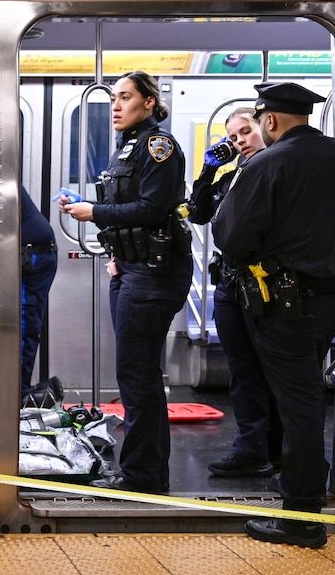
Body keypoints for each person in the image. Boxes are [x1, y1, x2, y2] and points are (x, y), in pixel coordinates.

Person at [213, 82, 335, 548]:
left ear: (269, 120)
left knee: (299, 403)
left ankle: (301, 516)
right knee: (305, 396)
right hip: (333, 301)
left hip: (285, 304)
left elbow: (231, 236)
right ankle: (307, 494)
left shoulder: (267, 163)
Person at [59, 71, 190, 493]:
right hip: (132, 269)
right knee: (135, 373)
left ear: (148, 103)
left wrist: (93, 214)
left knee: (138, 376)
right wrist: (111, 243)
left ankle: (143, 478)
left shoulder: (159, 147)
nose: (116, 105)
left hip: (154, 275)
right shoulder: (127, 149)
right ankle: (142, 471)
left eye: (126, 97)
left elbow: (152, 209)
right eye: (114, 97)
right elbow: (128, 208)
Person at [185, 108, 283, 479]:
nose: (240, 140)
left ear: (265, 128)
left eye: (246, 131)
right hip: (229, 285)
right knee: (242, 371)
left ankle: (276, 450)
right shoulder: (232, 177)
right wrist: (208, 171)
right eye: (233, 137)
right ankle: (251, 449)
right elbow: (198, 213)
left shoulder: (274, 171)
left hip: (263, 285)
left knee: (270, 369)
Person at [19, 186, 59, 400]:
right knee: (24, 325)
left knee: (24, 327)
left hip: (35, 255)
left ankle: (18, 393)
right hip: (33, 251)